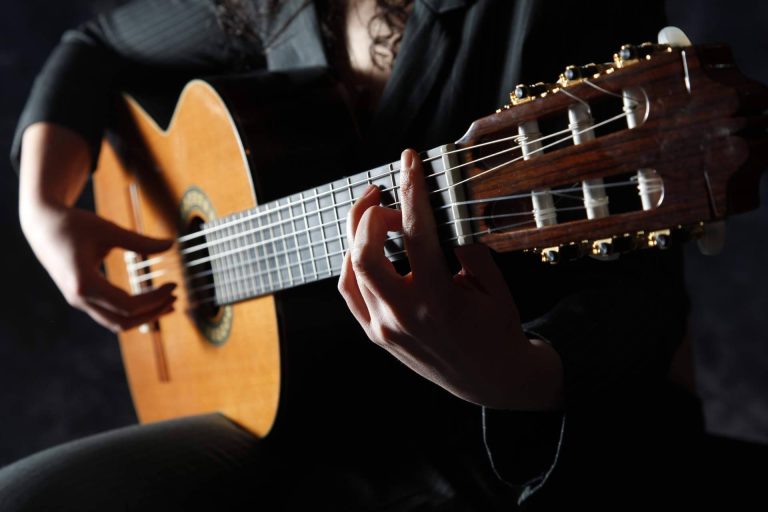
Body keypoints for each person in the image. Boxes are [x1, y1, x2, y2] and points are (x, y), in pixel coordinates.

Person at [4, 0, 710, 509]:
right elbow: (93, 48)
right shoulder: (264, 6)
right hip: (307, 419)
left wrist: (520, 375)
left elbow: (646, 302)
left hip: (494, 453)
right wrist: (45, 207)